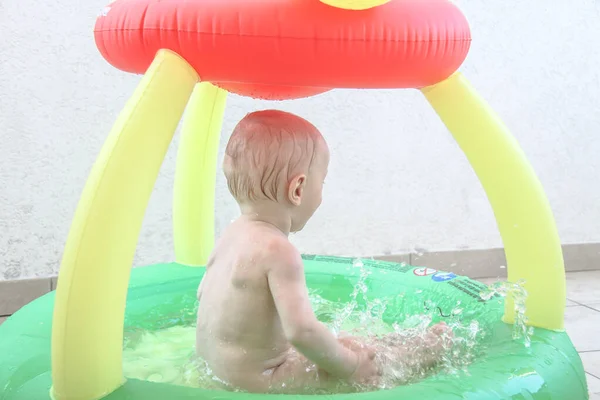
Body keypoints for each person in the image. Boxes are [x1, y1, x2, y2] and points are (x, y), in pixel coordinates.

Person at [195, 110, 451, 394]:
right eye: (323, 182)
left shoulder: (230, 236)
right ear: (298, 188)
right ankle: (429, 349)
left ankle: (387, 345)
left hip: (220, 373)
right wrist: (353, 367)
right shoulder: (278, 250)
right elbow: (301, 331)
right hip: (263, 381)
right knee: (374, 363)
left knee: (346, 344)